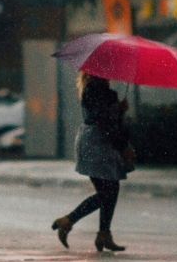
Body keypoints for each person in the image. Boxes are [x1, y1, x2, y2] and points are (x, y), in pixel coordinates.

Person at [52, 74, 132, 252]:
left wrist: (119, 111)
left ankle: (104, 234)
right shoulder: (99, 92)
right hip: (99, 143)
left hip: (94, 141)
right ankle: (70, 221)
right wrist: (119, 112)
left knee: (110, 189)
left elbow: (105, 118)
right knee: (107, 192)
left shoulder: (93, 90)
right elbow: (104, 121)